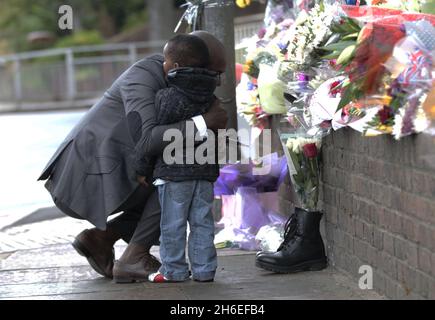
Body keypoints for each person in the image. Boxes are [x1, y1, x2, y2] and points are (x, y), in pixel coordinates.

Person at [38, 31, 228, 283]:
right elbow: (148, 139)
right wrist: (204, 122)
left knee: (184, 168)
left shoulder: (183, 82)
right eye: (214, 74)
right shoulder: (144, 77)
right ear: (188, 64)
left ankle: (101, 239)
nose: (217, 84)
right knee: (179, 175)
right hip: (83, 178)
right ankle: (133, 257)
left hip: (121, 168)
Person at [145, 34, 220, 283]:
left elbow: (159, 138)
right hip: (205, 172)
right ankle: (204, 270)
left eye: (165, 61)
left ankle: (174, 270)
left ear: (175, 67)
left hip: (174, 174)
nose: (162, 66)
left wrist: (141, 166)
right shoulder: (213, 98)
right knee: (203, 223)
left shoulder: (167, 97)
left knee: (173, 225)